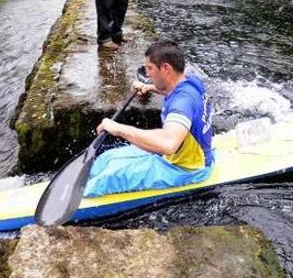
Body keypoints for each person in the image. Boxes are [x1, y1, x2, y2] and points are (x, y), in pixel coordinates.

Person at [85, 41, 214, 197]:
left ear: (166, 68)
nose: (148, 74)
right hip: (180, 156)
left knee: (107, 179)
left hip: (185, 168)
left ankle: (76, 203)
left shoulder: (182, 103)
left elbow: (168, 143)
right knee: (106, 158)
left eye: (150, 68)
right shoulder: (190, 79)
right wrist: (150, 87)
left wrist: (118, 129)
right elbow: (173, 90)